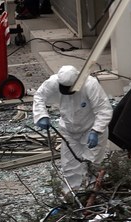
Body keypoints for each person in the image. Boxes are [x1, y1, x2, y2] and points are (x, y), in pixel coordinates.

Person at [32, 65, 112, 194]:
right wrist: (42, 115)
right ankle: (71, 196)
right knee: (70, 165)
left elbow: (103, 109)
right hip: (69, 130)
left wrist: (97, 130)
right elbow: (39, 97)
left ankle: (91, 195)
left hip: (90, 129)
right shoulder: (53, 82)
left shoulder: (90, 85)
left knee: (91, 163)